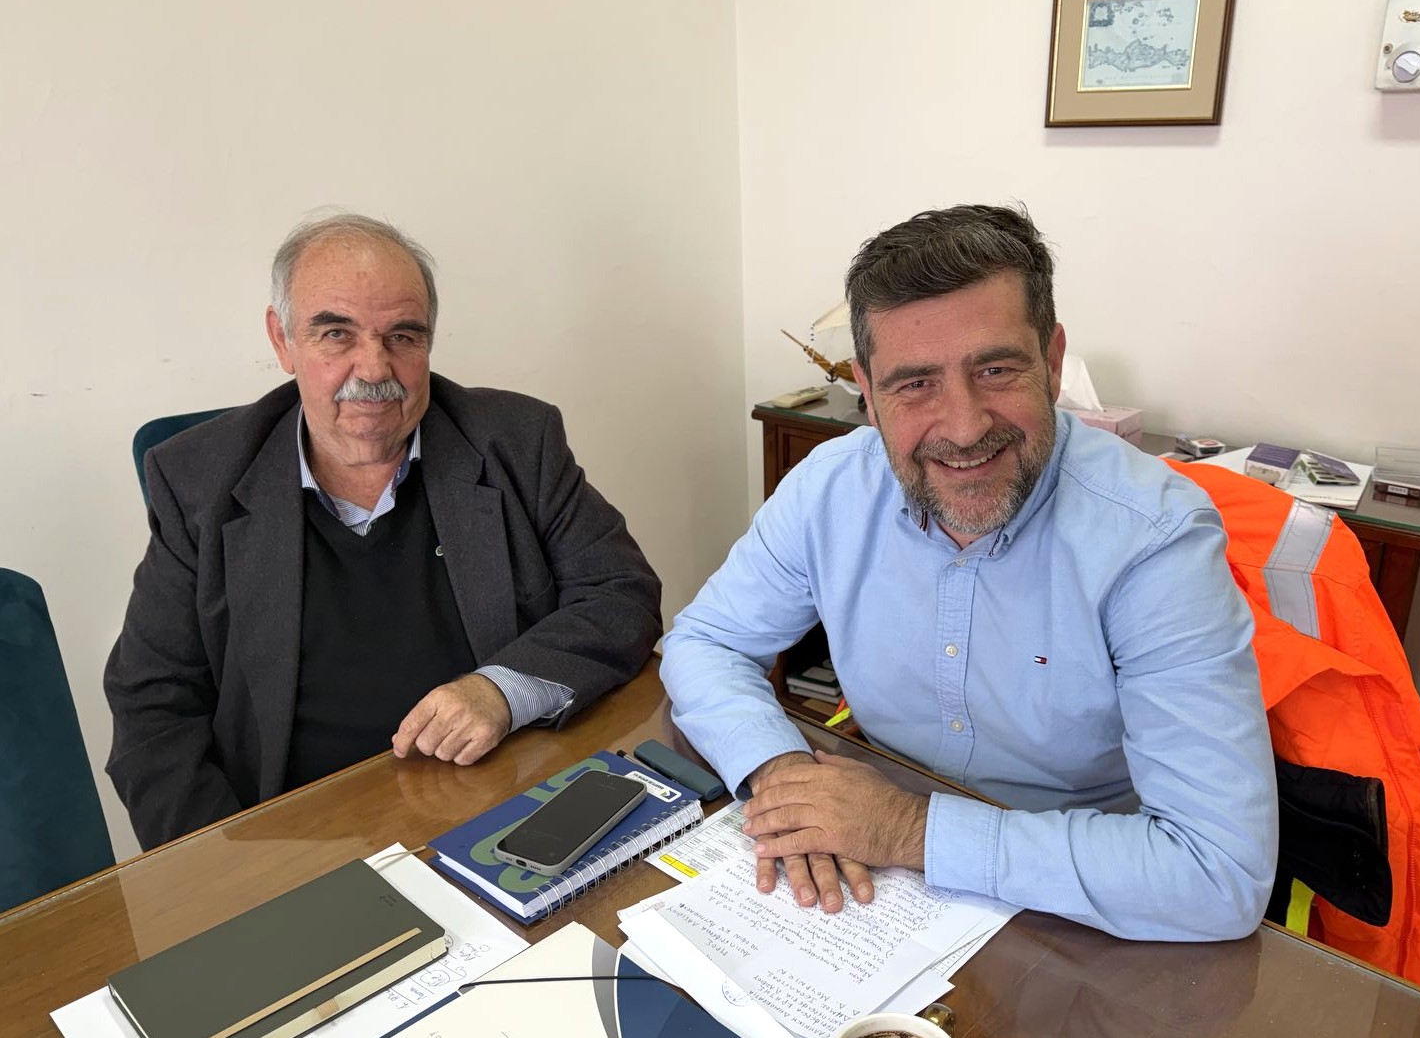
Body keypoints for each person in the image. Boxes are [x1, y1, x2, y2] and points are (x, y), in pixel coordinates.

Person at [659, 203, 1277, 940]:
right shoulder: (828, 488)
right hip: (873, 874)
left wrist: (907, 829)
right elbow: (705, 642)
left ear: (1052, 361)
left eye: (995, 369)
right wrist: (780, 772)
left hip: (1077, 897)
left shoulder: (1153, 540)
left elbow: (1217, 874)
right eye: (914, 384)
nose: (963, 426)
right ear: (866, 391)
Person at [106, 213, 662, 850]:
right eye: (335, 333)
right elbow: (153, 705)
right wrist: (227, 876)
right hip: (296, 838)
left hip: (504, 808)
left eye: (402, 335)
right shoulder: (197, 478)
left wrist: (501, 690)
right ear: (282, 341)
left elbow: (620, 592)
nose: (374, 368)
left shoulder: (515, 441)